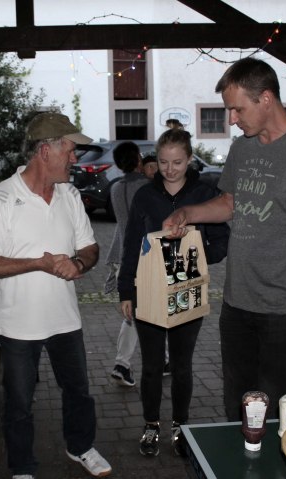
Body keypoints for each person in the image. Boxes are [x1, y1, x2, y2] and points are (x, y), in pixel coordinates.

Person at [162, 57, 286, 421]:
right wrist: (188, 213)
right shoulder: (243, 147)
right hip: (237, 305)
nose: (231, 119)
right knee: (236, 407)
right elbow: (230, 202)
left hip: (284, 310)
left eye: (236, 109)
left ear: (266, 99)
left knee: (275, 413)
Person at [0, 112, 112, 479]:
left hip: (65, 318)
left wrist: (79, 263)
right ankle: (22, 467)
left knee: (78, 391)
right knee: (19, 403)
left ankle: (81, 447)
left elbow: (90, 247)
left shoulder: (69, 195)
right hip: (18, 324)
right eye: (69, 149)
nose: (75, 157)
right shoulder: (1, 199)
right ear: (45, 151)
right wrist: (37, 263)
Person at [117, 128, 229, 457]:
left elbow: (223, 241)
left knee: (181, 365)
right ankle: (151, 425)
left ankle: (180, 426)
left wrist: (197, 250)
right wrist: (126, 290)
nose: (169, 169)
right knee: (151, 366)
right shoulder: (144, 196)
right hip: (148, 290)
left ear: (190, 159)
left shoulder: (205, 193)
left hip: (187, 288)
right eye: (163, 162)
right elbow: (130, 246)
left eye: (177, 162)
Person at [105, 142, 150, 387]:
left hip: (126, 258)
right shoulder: (145, 186)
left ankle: (162, 360)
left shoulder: (115, 188)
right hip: (144, 258)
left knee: (141, 311)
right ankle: (122, 363)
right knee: (136, 314)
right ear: (137, 159)